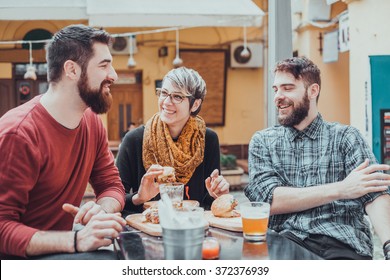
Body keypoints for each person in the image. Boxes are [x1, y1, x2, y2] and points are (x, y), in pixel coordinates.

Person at [0, 24, 126, 259]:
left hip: (61, 251)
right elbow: (2, 227)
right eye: (104, 65)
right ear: (72, 70)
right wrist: (77, 239)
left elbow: (111, 186)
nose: (114, 75)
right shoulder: (18, 133)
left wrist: (100, 210)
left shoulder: (92, 122)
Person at [245, 56, 390, 260]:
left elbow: (375, 194)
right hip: (288, 242)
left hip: (344, 244)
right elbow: (269, 200)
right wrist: (342, 188)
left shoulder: (346, 137)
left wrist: (388, 245)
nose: (278, 96)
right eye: (276, 89)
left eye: (287, 88)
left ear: (313, 91)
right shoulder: (263, 142)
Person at [116, 67, 229, 214]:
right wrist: (139, 198)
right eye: (164, 93)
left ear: (195, 104)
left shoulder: (207, 139)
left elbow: (206, 203)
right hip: (147, 230)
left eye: (177, 96)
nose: (167, 102)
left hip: (192, 229)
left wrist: (218, 196)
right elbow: (115, 198)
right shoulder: (134, 140)